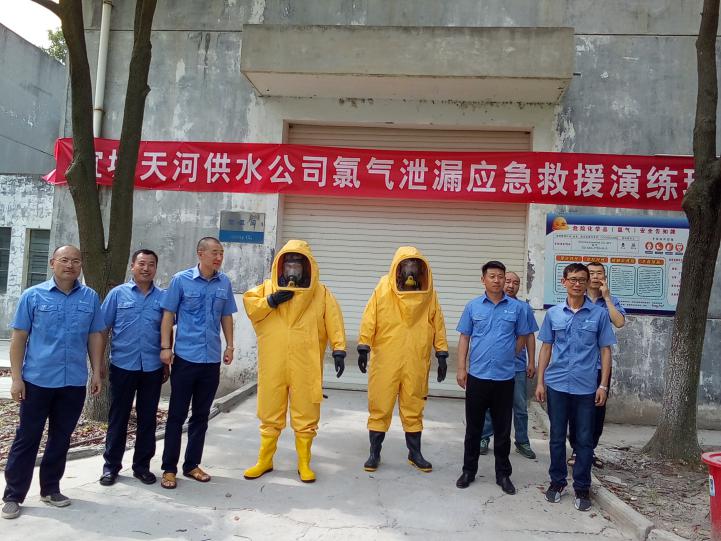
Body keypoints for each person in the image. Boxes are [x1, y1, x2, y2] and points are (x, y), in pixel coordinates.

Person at [2, 245, 105, 520]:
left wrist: (96, 372)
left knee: (61, 438)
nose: (70, 265)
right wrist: (16, 378)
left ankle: (50, 489)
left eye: (75, 261)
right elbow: (19, 337)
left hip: (73, 382)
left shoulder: (90, 297)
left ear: (81, 265)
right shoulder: (32, 296)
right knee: (28, 437)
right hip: (37, 381)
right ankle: (13, 495)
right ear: (52, 263)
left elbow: (95, 335)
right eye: (64, 260)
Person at [243, 240, 346, 483]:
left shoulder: (321, 293)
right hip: (273, 363)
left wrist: (339, 349)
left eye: (297, 266)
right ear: (280, 266)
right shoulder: (268, 289)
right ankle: (265, 460)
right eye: (288, 265)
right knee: (270, 409)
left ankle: (304, 463)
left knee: (306, 411)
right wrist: (271, 301)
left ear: (307, 267)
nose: (292, 270)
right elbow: (250, 306)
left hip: (306, 363)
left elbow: (334, 321)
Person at [357, 247, 448, 472]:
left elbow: (438, 322)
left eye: (414, 265)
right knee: (380, 403)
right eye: (406, 265)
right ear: (398, 268)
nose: (410, 270)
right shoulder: (383, 287)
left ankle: (414, 453)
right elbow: (370, 316)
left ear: (421, 269)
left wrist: (442, 353)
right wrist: (363, 346)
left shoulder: (428, 293)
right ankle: (374, 453)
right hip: (386, 357)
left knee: (414, 404)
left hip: (416, 358)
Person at [535, 263, 616, 512]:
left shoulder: (599, 314)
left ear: (587, 282)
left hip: (586, 387)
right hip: (557, 384)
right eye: (573, 279)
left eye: (582, 279)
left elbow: (605, 351)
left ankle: (582, 487)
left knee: (584, 440)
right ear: (564, 282)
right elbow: (546, 348)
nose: (577, 284)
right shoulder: (553, 314)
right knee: (557, 437)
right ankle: (557, 482)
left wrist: (603, 385)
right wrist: (540, 382)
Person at [159, 237, 237, 489]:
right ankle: (169, 468)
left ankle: (191, 464)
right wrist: (165, 347)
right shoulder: (181, 280)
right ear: (200, 253)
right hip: (185, 358)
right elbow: (168, 314)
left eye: (221, 253)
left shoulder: (224, 282)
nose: (219, 257)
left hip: (211, 359)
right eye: (214, 252)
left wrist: (230, 345)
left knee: (201, 416)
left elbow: (226, 315)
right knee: (176, 415)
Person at [455, 261, 532, 495]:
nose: (497, 280)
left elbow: (523, 335)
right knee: (474, 428)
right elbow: (464, 338)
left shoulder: (517, 308)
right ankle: (468, 470)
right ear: (483, 280)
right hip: (477, 376)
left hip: (504, 377)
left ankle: (503, 474)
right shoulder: (473, 306)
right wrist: (461, 368)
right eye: (492, 276)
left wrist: (509, 354)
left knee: (502, 429)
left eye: (500, 276)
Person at [99, 249, 169, 487]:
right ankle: (111, 467)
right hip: (122, 365)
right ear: (133, 266)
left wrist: (167, 360)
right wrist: (99, 363)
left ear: (155, 268)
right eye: (141, 263)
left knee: (147, 419)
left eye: (151, 264)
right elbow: (102, 329)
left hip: (152, 367)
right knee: (118, 417)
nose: (146, 268)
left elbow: (168, 330)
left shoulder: (164, 298)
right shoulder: (117, 294)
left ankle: (142, 467)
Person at [567, 261, 625, 469]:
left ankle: (589, 450)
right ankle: (577, 449)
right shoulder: (576, 299)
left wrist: (607, 297)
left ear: (604, 277)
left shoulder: (610, 301)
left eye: (599, 273)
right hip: (578, 366)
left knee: (597, 411)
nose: (595, 277)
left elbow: (619, 322)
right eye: (591, 273)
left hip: (601, 366)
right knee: (576, 410)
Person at [478, 271, 539, 459]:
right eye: (509, 281)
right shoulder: (491, 306)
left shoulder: (524, 308)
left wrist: (531, 361)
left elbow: (529, 336)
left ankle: (522, 441)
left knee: (519, 406)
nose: (511, 285)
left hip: (517, 367)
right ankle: (484, 437)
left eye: (516, 283)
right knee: (489, 405)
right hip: (493, 367)